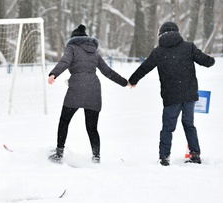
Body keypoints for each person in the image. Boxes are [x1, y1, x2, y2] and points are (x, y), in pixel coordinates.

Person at [128, 22, 215, 166]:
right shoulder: (188, 47)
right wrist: (210, 60)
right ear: (177, 32)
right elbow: (205, 61)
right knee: (189, 125)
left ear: (161, 34)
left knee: (167, 128)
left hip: (171, 97)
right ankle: (195, 154)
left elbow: (145, 67)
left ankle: (164, 157)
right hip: (189, 95)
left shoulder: (158, 52)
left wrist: (133, 80)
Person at [48, 24, 128, 164]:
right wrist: (125, 82)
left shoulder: (71, 48)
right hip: (94, 90)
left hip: (76, 89)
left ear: (73, 38)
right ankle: (96, 156)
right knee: (92, 127)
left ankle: (59, 153)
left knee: (64, 121)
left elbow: (65, 61)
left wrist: (54, 74)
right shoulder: (94, 52)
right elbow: (107, 71)